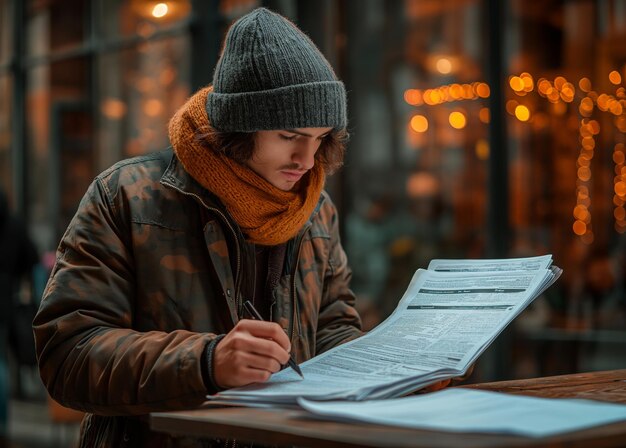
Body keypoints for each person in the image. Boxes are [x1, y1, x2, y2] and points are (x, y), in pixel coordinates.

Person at [33, 8, 451, 447]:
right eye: (290, 136)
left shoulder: (316, 210)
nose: (307, 161)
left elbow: (331, 331)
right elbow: (67, 357)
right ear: (239, 126)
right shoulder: (127, 196)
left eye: (321, 138)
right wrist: (206, 362)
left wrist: (399, 374)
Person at [0, 189, 38, 447]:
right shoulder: (13, 224)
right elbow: (31, 259)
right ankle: (1, 425)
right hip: (3, 300)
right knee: (0, 365)